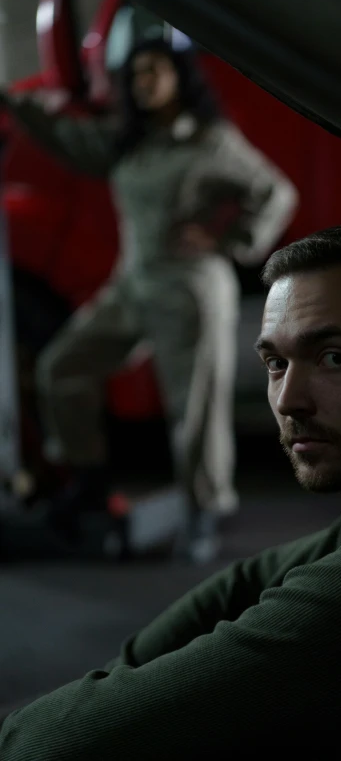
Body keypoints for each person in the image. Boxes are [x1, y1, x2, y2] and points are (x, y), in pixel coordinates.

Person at [2, 223, 341, 760]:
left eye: (334, 357)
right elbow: (241, 585)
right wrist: (124, 677)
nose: (289, 399)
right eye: (276, 362)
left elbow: (47, 746)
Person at [0, 38, 298, 561]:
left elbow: (275, 191)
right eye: (136, 73)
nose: (144, 81)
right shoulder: (128, 143)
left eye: (155, 70)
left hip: (189, 288)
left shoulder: (208, 141)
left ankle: (204, 513)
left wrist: (228, 240)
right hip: (132, 284)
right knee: (61, 368)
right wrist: (11, 101)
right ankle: (88, 479)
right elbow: (65, 137)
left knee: (193, 410)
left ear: (180, 77)